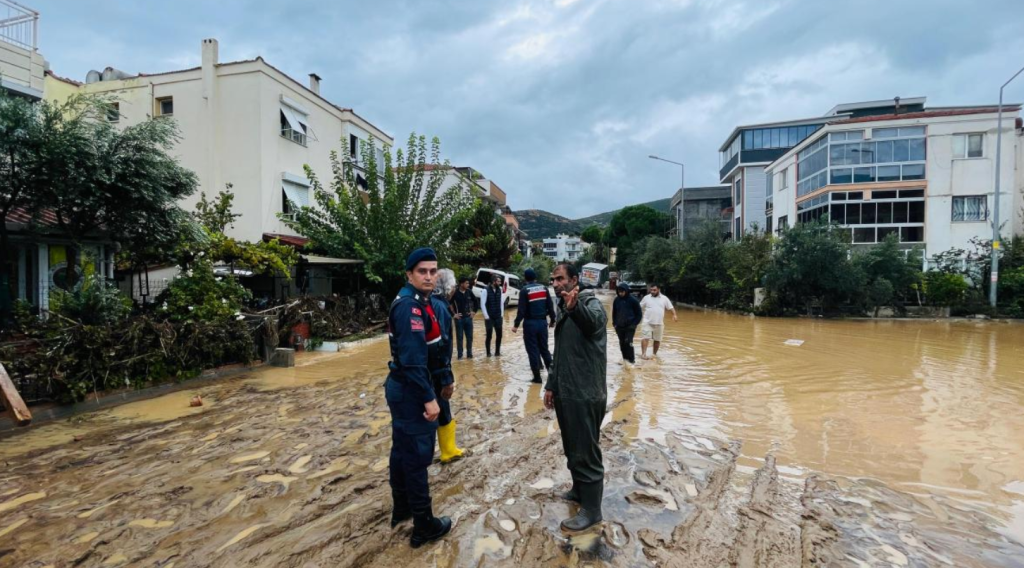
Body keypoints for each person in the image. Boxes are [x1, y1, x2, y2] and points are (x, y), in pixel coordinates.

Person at [384, 247, 452, 547]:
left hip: (406, 387)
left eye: (432, 271)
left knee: (402, 450)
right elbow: (412, 360)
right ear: (409, 274)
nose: (428, 276)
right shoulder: (409, 307)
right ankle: (424, 525)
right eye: (422, 271)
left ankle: (403, 510)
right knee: (416, 457)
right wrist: (429, 398)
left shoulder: (420, 302)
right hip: (412, 390)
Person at [544, 262, 608, 532]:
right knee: (572, 445)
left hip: (585, 392)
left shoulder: (590, 304)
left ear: (574, 280)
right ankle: (579, 491)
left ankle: (592, 511)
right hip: (566, 391)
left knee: (586, 449)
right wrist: (551, 384)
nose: (556, 284)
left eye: (560, 279)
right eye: (553, 280)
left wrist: (574, 307)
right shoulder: (562, 308)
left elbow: (593, 325)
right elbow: (560, 353)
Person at [431, 269, 465, 464]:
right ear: (448, 288)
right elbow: (442, 344)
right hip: (437, 371)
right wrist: (447, 378)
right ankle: (448, 451)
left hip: (429, 370)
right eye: (452, 286)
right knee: (442, 406)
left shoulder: (430, 303)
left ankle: (447, 449)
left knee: (440, 408)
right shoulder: (441, 308)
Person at [511, 268, 556, 383]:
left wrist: (516, 325)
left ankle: (537, 378)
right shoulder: (544, 288)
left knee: (533, 351)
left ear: (525, 278)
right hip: (542, 323)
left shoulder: (524, 290)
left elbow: (521, 310)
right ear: (535, 277)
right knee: (544, 349)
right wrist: (553, 319)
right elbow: (550, 306)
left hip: (530, 324)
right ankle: (553, 377)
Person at [639, 284, 677, 359]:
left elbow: (670, 307)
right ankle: (643, 354)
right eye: (651, 290)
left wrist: (674, 315)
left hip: (659, 323)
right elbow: (638, 307)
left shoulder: (664, 298)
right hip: (647, 322)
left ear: (658, 290)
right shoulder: (646, 298)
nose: (652, 291)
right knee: (645, 338)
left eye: (654, 290)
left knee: (657, 340)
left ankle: (654, 355)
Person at [611, 282, 643, 364]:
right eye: (619, 292)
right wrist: (614, 323)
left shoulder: (633, 300)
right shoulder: (616, 300)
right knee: (622, 344)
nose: (620, 293)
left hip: (630, 326)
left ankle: (631, 361)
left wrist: (634, 324)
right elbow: (614, 312)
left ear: (626, 291)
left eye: (622, 291)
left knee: (628, 343)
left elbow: (639, 314)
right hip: (619, 326)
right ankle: (625, 360)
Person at [480, 274, 506, 357]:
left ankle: (497, 352)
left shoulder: (500, 290)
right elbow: (482, 304)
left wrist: (502, 314)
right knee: (489, 336)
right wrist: (486, 316)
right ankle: (488, 353)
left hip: (498, 317)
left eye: (500, 281)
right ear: (493, 281)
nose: (500, 283)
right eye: (498, 281)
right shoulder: (485, 290)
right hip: (489, 317)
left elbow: (501, 303)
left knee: (499, 335)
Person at [450, 277, 475, 359]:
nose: (468, 285)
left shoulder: (469, 292)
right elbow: (448, 303)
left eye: (468, 283)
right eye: (466, 283)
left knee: (470, 337)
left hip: (468, 318)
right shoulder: (455, 293)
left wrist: (473, 312)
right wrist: (453, 314)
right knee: (459, 338)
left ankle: (469, 355)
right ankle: (460, 356)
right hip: (459, 319)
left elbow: (476, 302)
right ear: (461, 284)